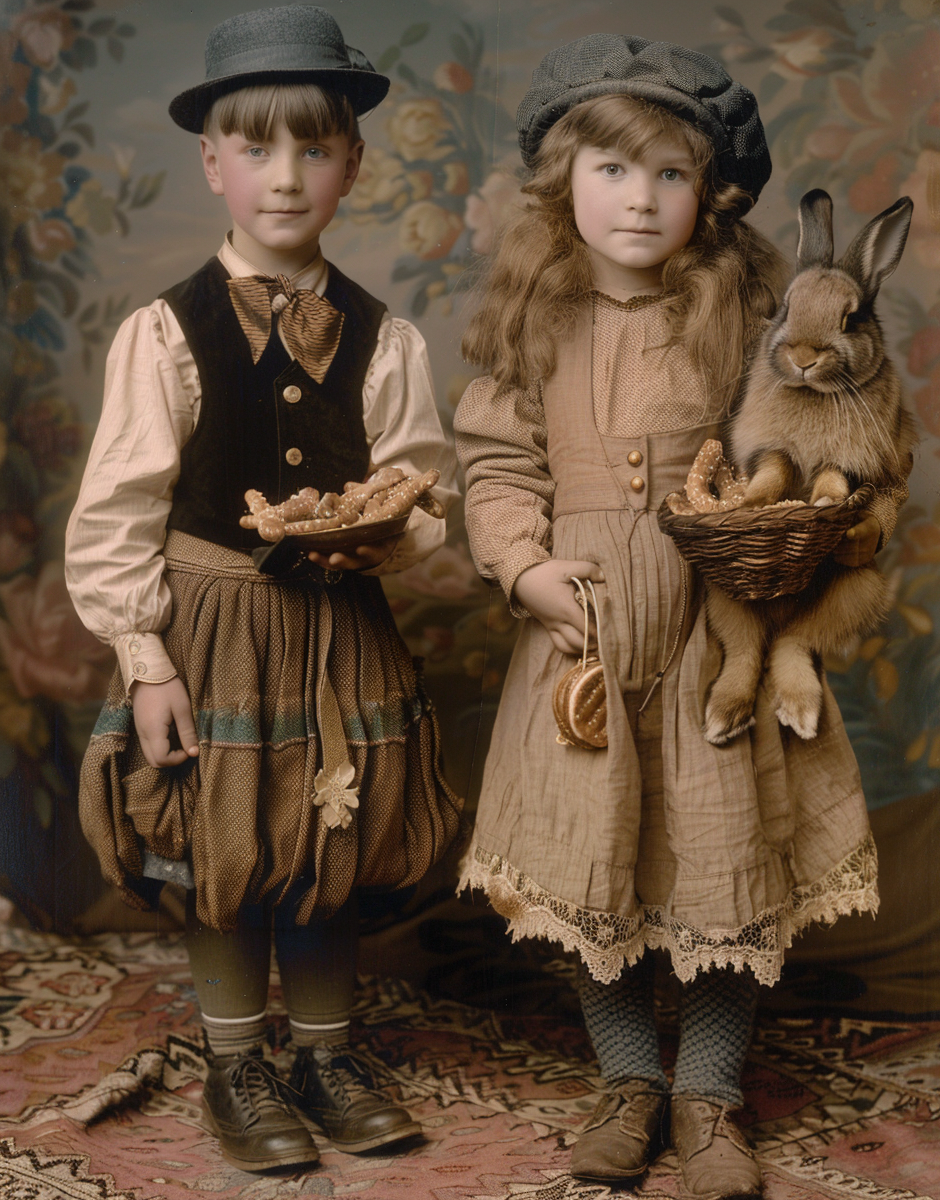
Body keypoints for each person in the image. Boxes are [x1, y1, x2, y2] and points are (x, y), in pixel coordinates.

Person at [455, 35, 908, 1197]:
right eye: (613, 170)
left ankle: (707, 1092)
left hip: (719, 622)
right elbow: (499, 464)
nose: (642, 199)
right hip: (587, 629)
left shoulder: (747, 312)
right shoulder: (534, 320)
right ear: (565, 183)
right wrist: (524, 569)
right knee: (591, 857)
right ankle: (629, 1083)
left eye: (671, 173)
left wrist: (809, 521)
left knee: (725, 857)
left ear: (715, 193)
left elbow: (805, 439)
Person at [65, 5, 461, 1176]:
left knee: (329, 832)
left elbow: (421, 497)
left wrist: (379, 539)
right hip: (213, 626)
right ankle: (239, 1061)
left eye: (314, 148)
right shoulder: (164, 334)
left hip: (338, 629)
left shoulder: (388, 344)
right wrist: (148, 664)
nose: (285, 177)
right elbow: (118, 513)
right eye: (256, 149)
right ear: (212, 162)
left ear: (354, 161)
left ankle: (329, 1055)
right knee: (228, 840)